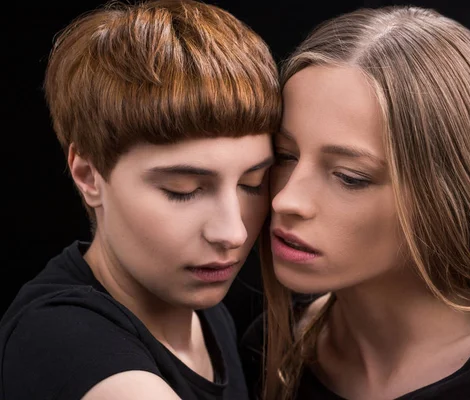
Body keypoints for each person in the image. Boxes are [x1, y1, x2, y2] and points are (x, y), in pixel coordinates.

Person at [241, 6, 470, 400]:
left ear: (447, 192)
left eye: (349, 177)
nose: (285, 199)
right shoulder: (266, 355)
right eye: (284, 156)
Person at [0, 0, 280, 399]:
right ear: (88, 174)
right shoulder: (61, 340)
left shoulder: (206, 312)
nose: (232, 232)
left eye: (253, 182)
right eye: (182, 190)